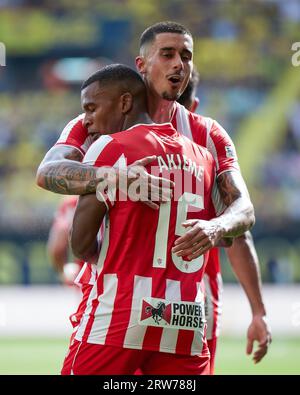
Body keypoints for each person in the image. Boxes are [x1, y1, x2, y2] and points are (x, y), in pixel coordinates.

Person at [36, 21, 270, 366]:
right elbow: (47, 172)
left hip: (175, 302)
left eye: (186, 56)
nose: (180, 64)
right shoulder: (101, 117)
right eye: (168, 54)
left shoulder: (207, 135)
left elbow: (242, 214)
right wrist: (116, 177)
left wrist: (217, 228)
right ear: (141, 64)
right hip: (148, 300)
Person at [62, 64, 251, 375]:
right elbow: (231, 233)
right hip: (185, 320)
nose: (86, 119)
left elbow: (80, 244)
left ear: (124, 103)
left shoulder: (109, 148)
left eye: (92, 108)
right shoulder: (202, 157)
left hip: (120, 313)